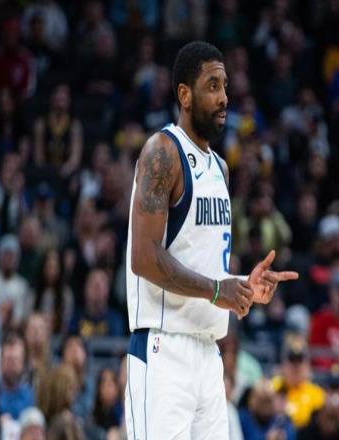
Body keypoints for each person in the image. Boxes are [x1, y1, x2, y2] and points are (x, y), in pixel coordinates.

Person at [125, 41, 298, 439]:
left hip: (208, 352)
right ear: (184, 95)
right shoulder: (162, 152)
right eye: (212, 86)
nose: (224, 98)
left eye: (225, 86)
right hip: (164, 351)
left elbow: (200, 261)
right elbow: (143, 257)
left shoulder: (219, 167)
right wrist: (217, 290)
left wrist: (242, 287)